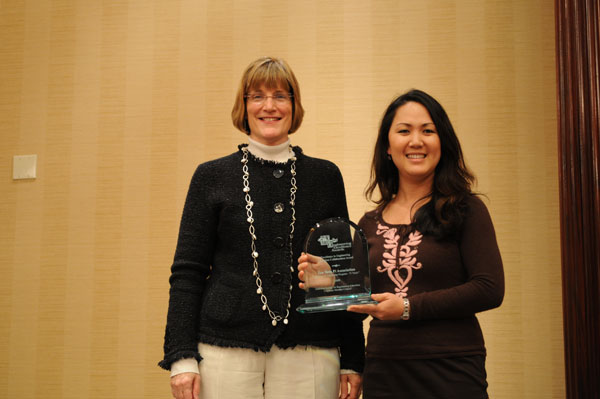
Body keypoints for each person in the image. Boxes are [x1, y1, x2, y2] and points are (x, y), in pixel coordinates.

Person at [159, 56, 364, 399]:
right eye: (257, 96)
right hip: (225, 349)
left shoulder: (325, 177)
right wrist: (181, 357)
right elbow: (187, 272)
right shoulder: (211, 176)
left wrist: (354, 359)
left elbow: (342, 275)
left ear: (294, 105)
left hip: (310, 351)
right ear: (244, 106)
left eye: (281, 95)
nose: (269, 106)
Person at [299, 89, 504, 399]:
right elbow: (362, 307)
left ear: (442, 143)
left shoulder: (466, 209)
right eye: (404, 131)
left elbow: (489, 288)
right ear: (388, 147)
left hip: (453, 371)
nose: (416, 141)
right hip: (385, 371)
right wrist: (331, 284)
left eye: (428, 130)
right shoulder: (369, 222)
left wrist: (407, 308)